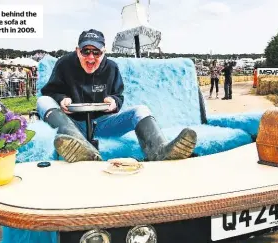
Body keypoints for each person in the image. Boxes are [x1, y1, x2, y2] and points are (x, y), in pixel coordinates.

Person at [38, 29, 197, 163]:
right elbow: (50, 91)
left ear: (104, 52)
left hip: (102, 124)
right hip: (72, 123)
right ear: (77, 51)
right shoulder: (64, 63)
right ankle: (80, 146)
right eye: (85, 51)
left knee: (140, 109)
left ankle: (159, 150)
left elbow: (118, 95)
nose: (91, 57)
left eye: (96, 52)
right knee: (42, 101)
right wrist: (61, 99)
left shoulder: (111, 68)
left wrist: (114, 102)